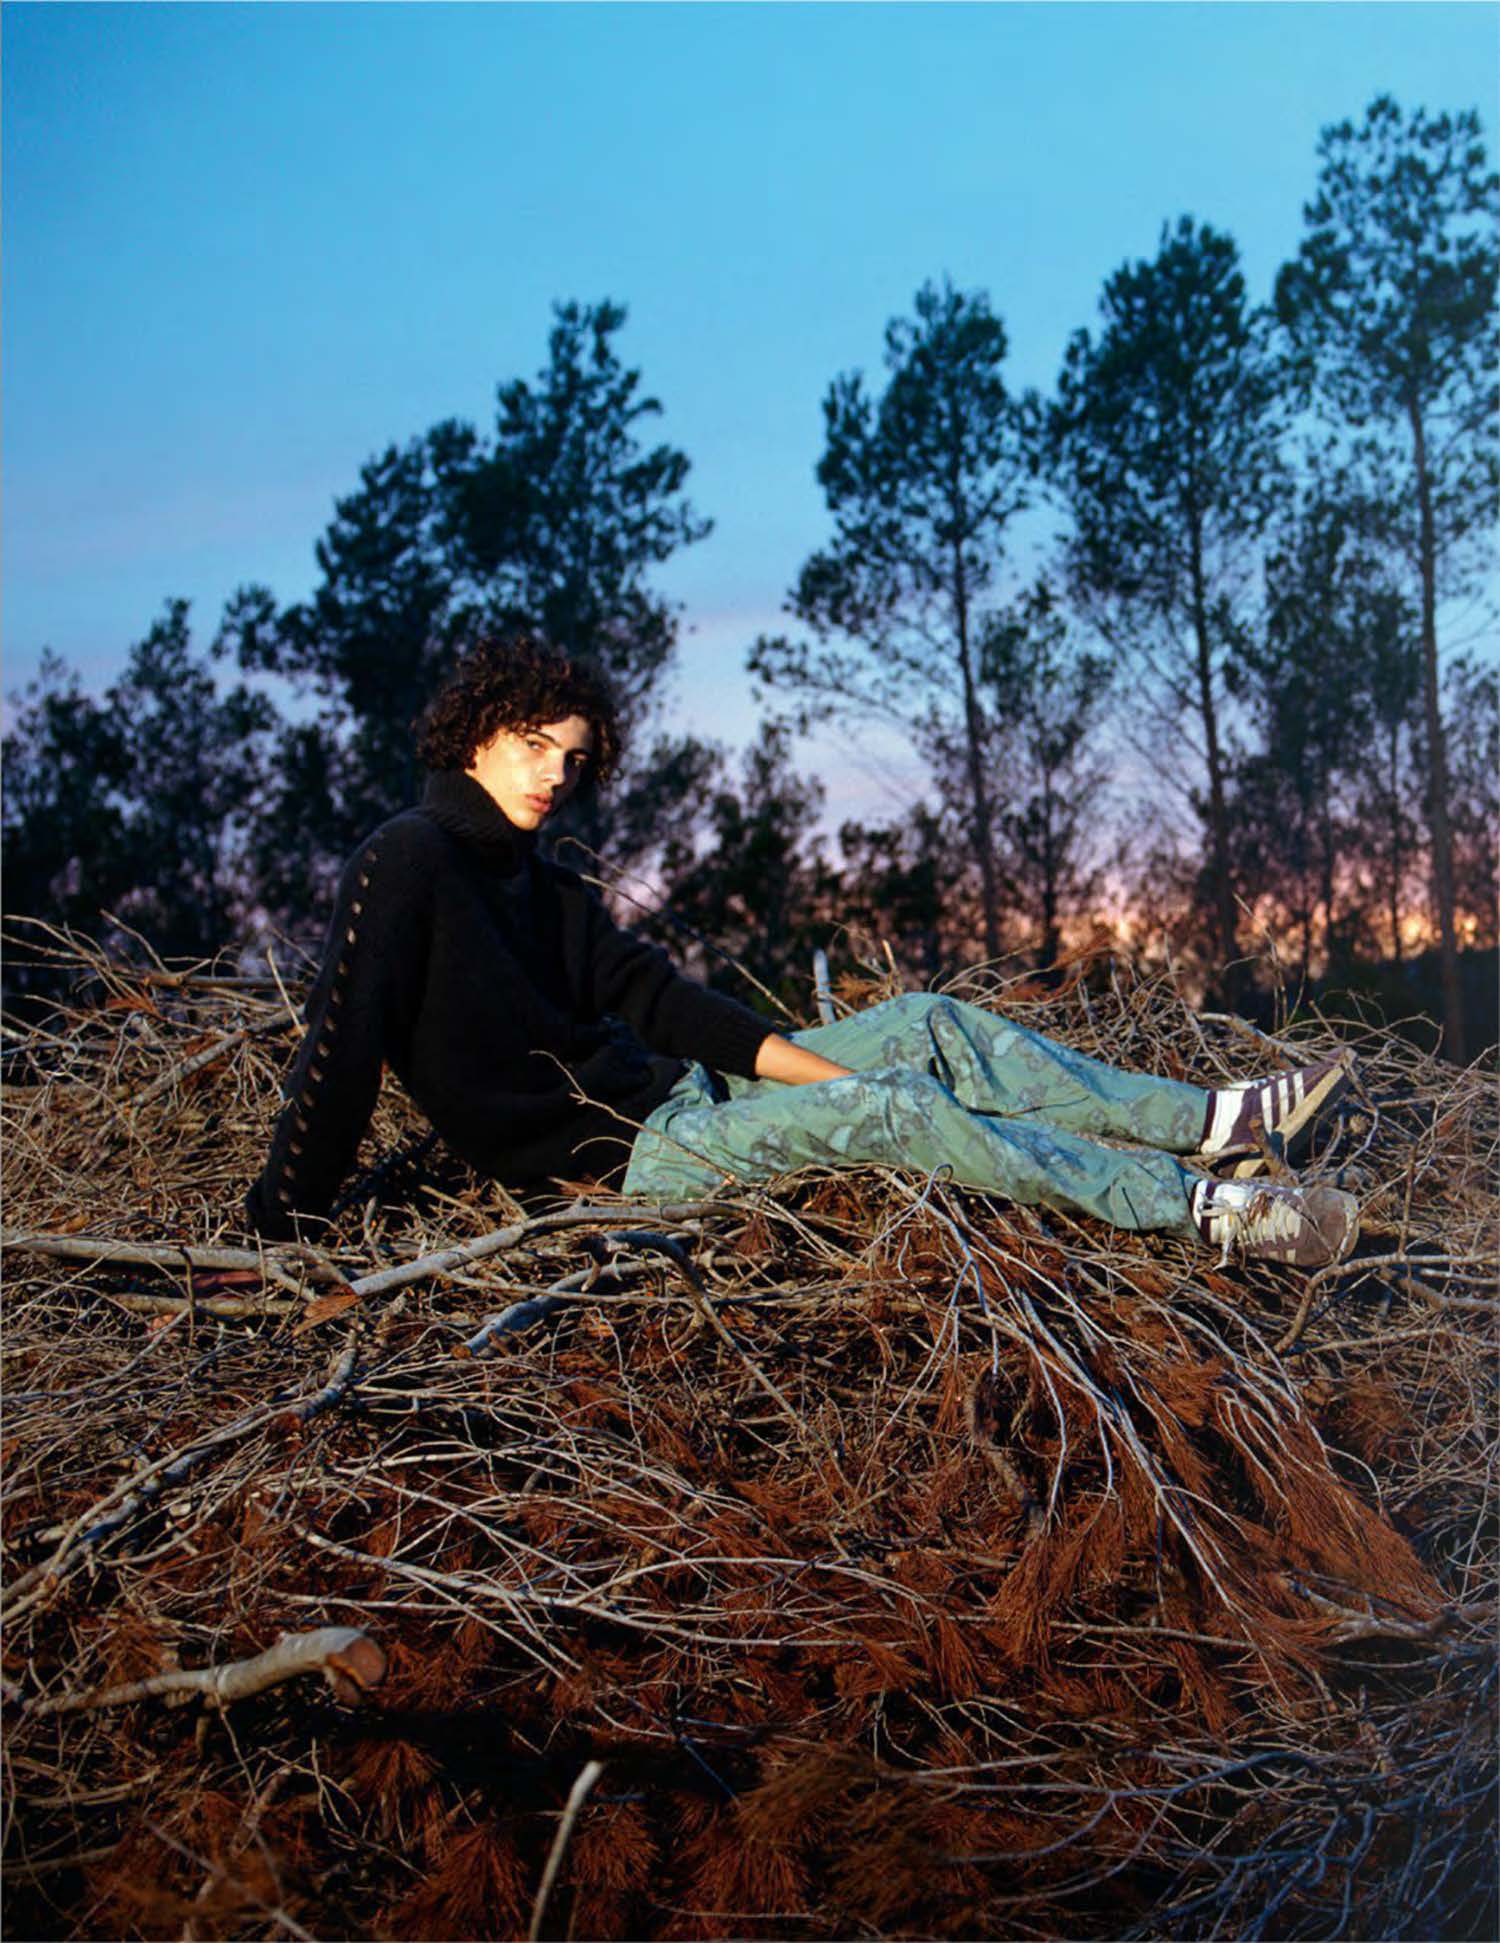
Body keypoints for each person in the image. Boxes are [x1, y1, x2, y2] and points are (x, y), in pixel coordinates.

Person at [245, 635, 1357, 1268]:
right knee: (901, 1109)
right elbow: (339, 1051)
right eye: (535, 745)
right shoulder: (407, 860)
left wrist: (825, 1073)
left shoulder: (542, 882)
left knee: (928, 1024)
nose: (556, 775)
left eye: (574, 758)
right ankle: (1209, 1209)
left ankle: (1219, 1121)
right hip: (627, 1164)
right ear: (476, 734)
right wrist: (273, 1232)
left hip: (686, 1093)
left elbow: (664, 1002)